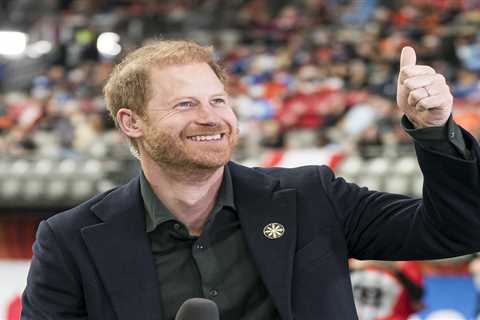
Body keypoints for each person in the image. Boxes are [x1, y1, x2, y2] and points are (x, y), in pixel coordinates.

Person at [21, 40, 480, 320]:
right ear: (131, 122)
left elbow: (456, 230)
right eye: (185, 105)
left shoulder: (312, 198)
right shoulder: (69, 241)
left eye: (218, 100)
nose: (212, 118)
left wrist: (436, 132)